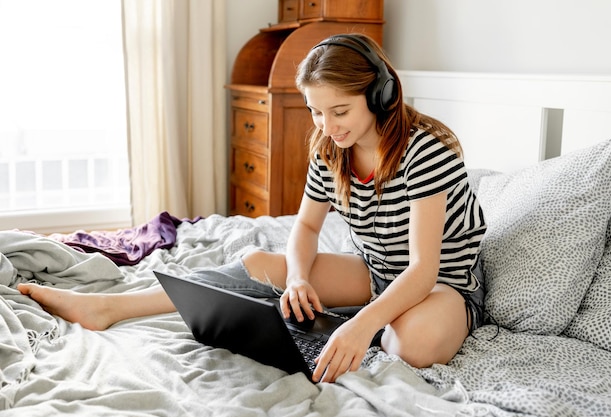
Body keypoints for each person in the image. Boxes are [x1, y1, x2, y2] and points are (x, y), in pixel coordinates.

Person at [18, 33, 487, 384]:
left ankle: (356, 322)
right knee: (261, 265)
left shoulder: (426, 151)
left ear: (380, 94)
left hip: (440, 286)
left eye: (339, 111)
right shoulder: (329, 147)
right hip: (377, 273)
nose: (327, 125)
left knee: (410, 344)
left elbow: (425, 270)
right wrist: (299, 278)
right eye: (316, 112)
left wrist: (364, 324)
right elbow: (305, 226)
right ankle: (110, 307)